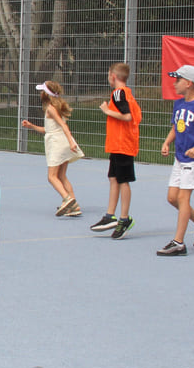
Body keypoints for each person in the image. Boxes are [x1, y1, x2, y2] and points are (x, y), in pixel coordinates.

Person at [158, 64, 194, 256]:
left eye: (178, 80)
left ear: (189, 83)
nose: (174, 84)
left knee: (183, 198)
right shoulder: (178, 104)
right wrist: (167, 142)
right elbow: (176, 127)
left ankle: (178, 243)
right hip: (180, 157)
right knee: (172, 198)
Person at [90, 63, 142, 239]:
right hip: (118, 144)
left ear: (113, 76)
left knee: (123, 181)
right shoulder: (122, 94)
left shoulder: (119, 93)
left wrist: (107, 111)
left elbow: (128, 116)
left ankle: (124, 218)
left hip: (123, 144)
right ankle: (109, 216)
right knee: (113, 178)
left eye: (108, 75)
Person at [20, 80, 84, 217]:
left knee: (52, 177)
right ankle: (75, 206)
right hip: (61, 142)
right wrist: (31, 126)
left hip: (58, 144)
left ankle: (68, 199)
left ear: (47, 94)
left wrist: (71, 142)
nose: (40, 93)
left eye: (42, 91)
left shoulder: (50, 108)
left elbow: (63, 126)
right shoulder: (54, 107)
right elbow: (48, 130)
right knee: (61, 176)